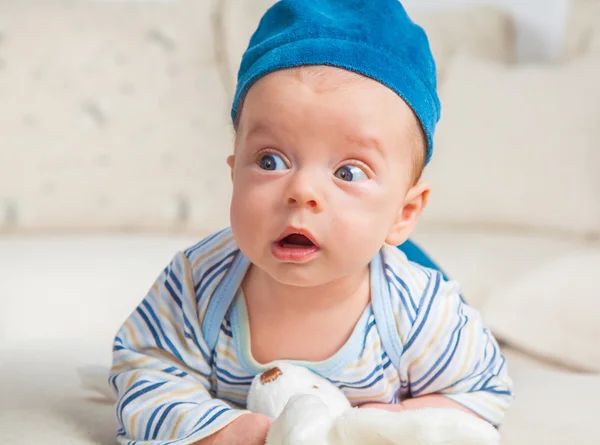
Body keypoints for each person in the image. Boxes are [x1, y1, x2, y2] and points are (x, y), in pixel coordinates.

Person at [109, 1, 513, 444]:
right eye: (269, 160)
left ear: (404, 213)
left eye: (348, 173)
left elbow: (483, 392)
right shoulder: (196, 282)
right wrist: (229, 430)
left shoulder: (421, 311)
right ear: (233, 174)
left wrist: (377, 421)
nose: (302, 191)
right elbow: (143, 366)